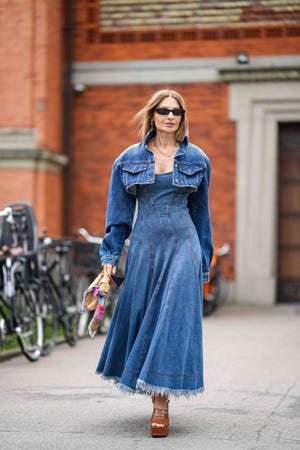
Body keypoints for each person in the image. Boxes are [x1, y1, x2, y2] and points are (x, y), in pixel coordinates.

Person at [96, 89, 213, 438]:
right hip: (145, 246)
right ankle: (151, 388)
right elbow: (117, 219)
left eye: (176, 111)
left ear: (182, 116)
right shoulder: (127, 159)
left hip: (184, 244)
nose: (170, 116)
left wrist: (202, 266)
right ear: (152, 115)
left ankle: (160, 405)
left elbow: (201, 216)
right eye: (163, 110)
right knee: (147, 314)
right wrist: (110, 261)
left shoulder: (198, 159)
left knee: (170, 315)